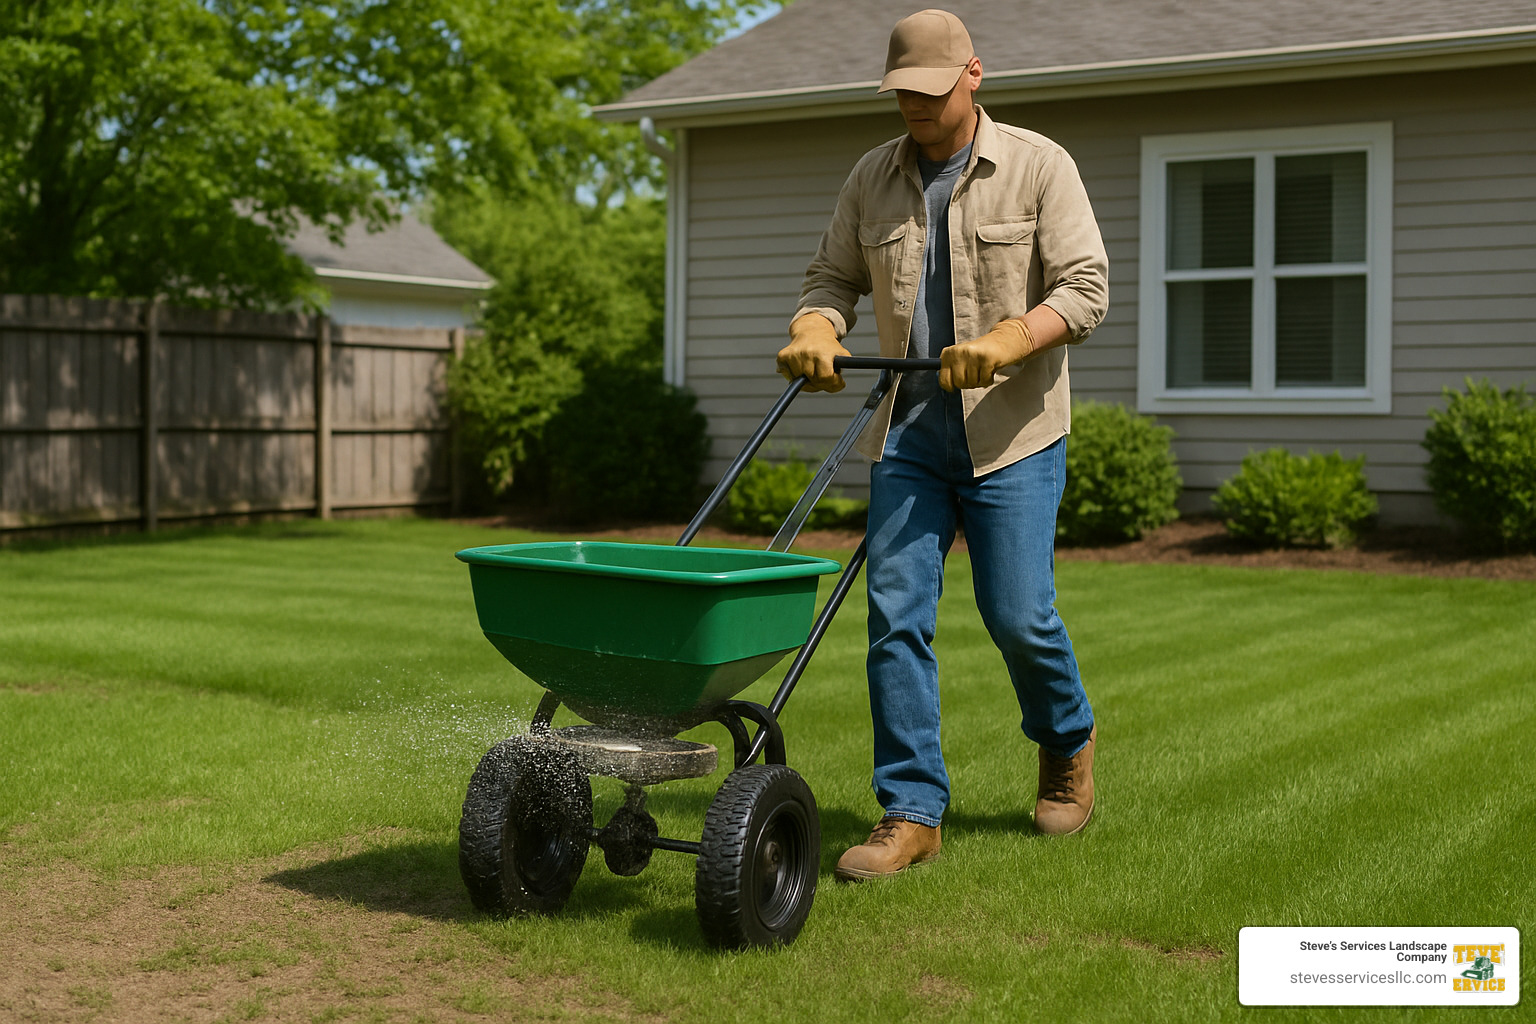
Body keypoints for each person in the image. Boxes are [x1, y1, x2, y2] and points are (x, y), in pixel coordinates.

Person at [776, 8, 1110, 881]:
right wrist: (815, 325)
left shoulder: (1039, 166)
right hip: (910, 433)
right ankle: (911, 810)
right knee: (894, 619)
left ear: (973, 75)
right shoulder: (871, 178)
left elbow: (1086, 288)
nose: (913, 108)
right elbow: (832, 278)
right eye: (901, 93)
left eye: (928, 90)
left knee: (1017, 614)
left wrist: (1009, 340)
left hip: (1014, 434)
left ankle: (1066, 737)